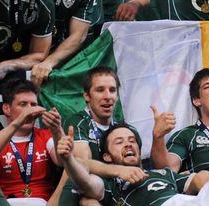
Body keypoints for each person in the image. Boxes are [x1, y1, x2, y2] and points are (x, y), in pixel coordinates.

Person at [58, 122, 209, 206]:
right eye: (119, 142)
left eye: (132, 141)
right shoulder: (112, 186)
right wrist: (68, 157)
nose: (128, 144)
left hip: (192, 203)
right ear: (106, 156)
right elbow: (84, 178)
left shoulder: (163, 173)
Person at [54, 66, 144, 206]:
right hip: (85, 192)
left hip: (119, 194)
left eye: (112, 90)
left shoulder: (127, 130)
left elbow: (138, 168)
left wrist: (158, 137)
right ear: (86, 96)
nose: (107, 96)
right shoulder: (78, 123)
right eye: (100, 90)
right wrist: (119, 170)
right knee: (88, 201)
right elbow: (81, 164)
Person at [0, 79, 63, 205]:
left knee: (74, 165)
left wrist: (57, 130)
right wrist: (18, 122)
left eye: (33, 105)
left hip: (43, 202)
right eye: (23, 104)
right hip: (5, 202)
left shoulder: (45, 136)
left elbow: (62, 161)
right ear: (6, 109)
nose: (30, 110)